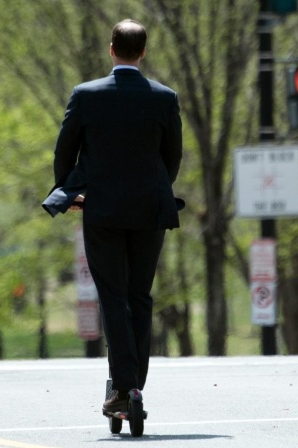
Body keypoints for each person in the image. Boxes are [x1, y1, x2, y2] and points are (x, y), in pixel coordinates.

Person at [46, 19, 183, 412]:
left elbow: (64, 151)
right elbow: (172, 157)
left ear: (111, 49)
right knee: (140, 296)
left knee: (113, 296)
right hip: (150, 209)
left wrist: (68, 191)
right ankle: (134, 385)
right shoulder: (164, 97)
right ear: (143, 52)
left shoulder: (86, 95)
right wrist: (155, 188)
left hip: (101, 209)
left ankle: (124, 389)